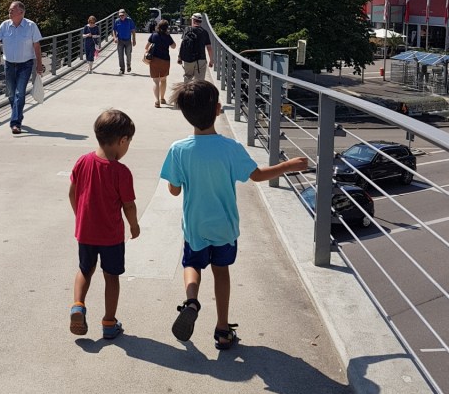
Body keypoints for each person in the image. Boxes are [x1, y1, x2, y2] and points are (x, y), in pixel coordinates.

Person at [161, 79, 308, 350]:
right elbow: (258, 176)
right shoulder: (230, 148)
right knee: (221, 272)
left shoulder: (178, 150)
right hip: (225, 228)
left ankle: (191, 300)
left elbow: (173, 190)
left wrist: (178, 181)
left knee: (191, 265)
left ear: (185, 114)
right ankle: (222, 330)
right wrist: (287, 165)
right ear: (218, 109)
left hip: (195, 226)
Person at [69, 109, 140, 340]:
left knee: (84, 269)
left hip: (86, 231)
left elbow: (72, 192)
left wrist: (79, 215)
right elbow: (128, 205)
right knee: (111, 277)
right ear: (122, 140)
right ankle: (109, 322)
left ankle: (78, 306)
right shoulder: (121, 172)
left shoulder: (83, 162)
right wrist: (134, 225)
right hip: (111, 236)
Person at [0, 1, 43, 135]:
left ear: (21, 12)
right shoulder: (5, 25)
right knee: (11, 94)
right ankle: (18, 115)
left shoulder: (31, 26)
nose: (9, 12)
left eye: (12, 10)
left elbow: (37, 46)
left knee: (19, 93)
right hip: (9, 64)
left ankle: (15, 123)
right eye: (9, 10)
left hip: (25, 65)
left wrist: (38, 64)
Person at [144, 19, 176, 107]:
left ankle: (157, 101)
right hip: (165, 60)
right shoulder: (167, 36)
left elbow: (146, 47)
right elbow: (174, 46)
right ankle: (162, 98)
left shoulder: (154, 35)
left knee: (156, 81)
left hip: (154, 60)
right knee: (163, 80)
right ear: (167, 27)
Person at [177, 12, 214, 80]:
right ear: (201, 21)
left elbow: (183, 44)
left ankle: (187, 90)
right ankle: (197, 91)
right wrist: (211, 60)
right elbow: (209, 48)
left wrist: (180, 57)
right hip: (201, 59)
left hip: (188, 59)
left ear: (193, 20)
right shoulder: (204, 32)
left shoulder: (187, 30)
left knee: (188, 77)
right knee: (199, 81)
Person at [112, 8, 136, 75]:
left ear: (125, 14)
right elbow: (114, 30)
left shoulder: (129, 20)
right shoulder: (117, 21)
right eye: (120, 15)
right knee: (120, 55)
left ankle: (128, 65)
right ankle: (122, 69)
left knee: (128, 54)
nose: (121, 16)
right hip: (120, 40)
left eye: (122, 15)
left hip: (128, 40)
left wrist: (134, 40)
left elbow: (133, 30)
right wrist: (114, 38)